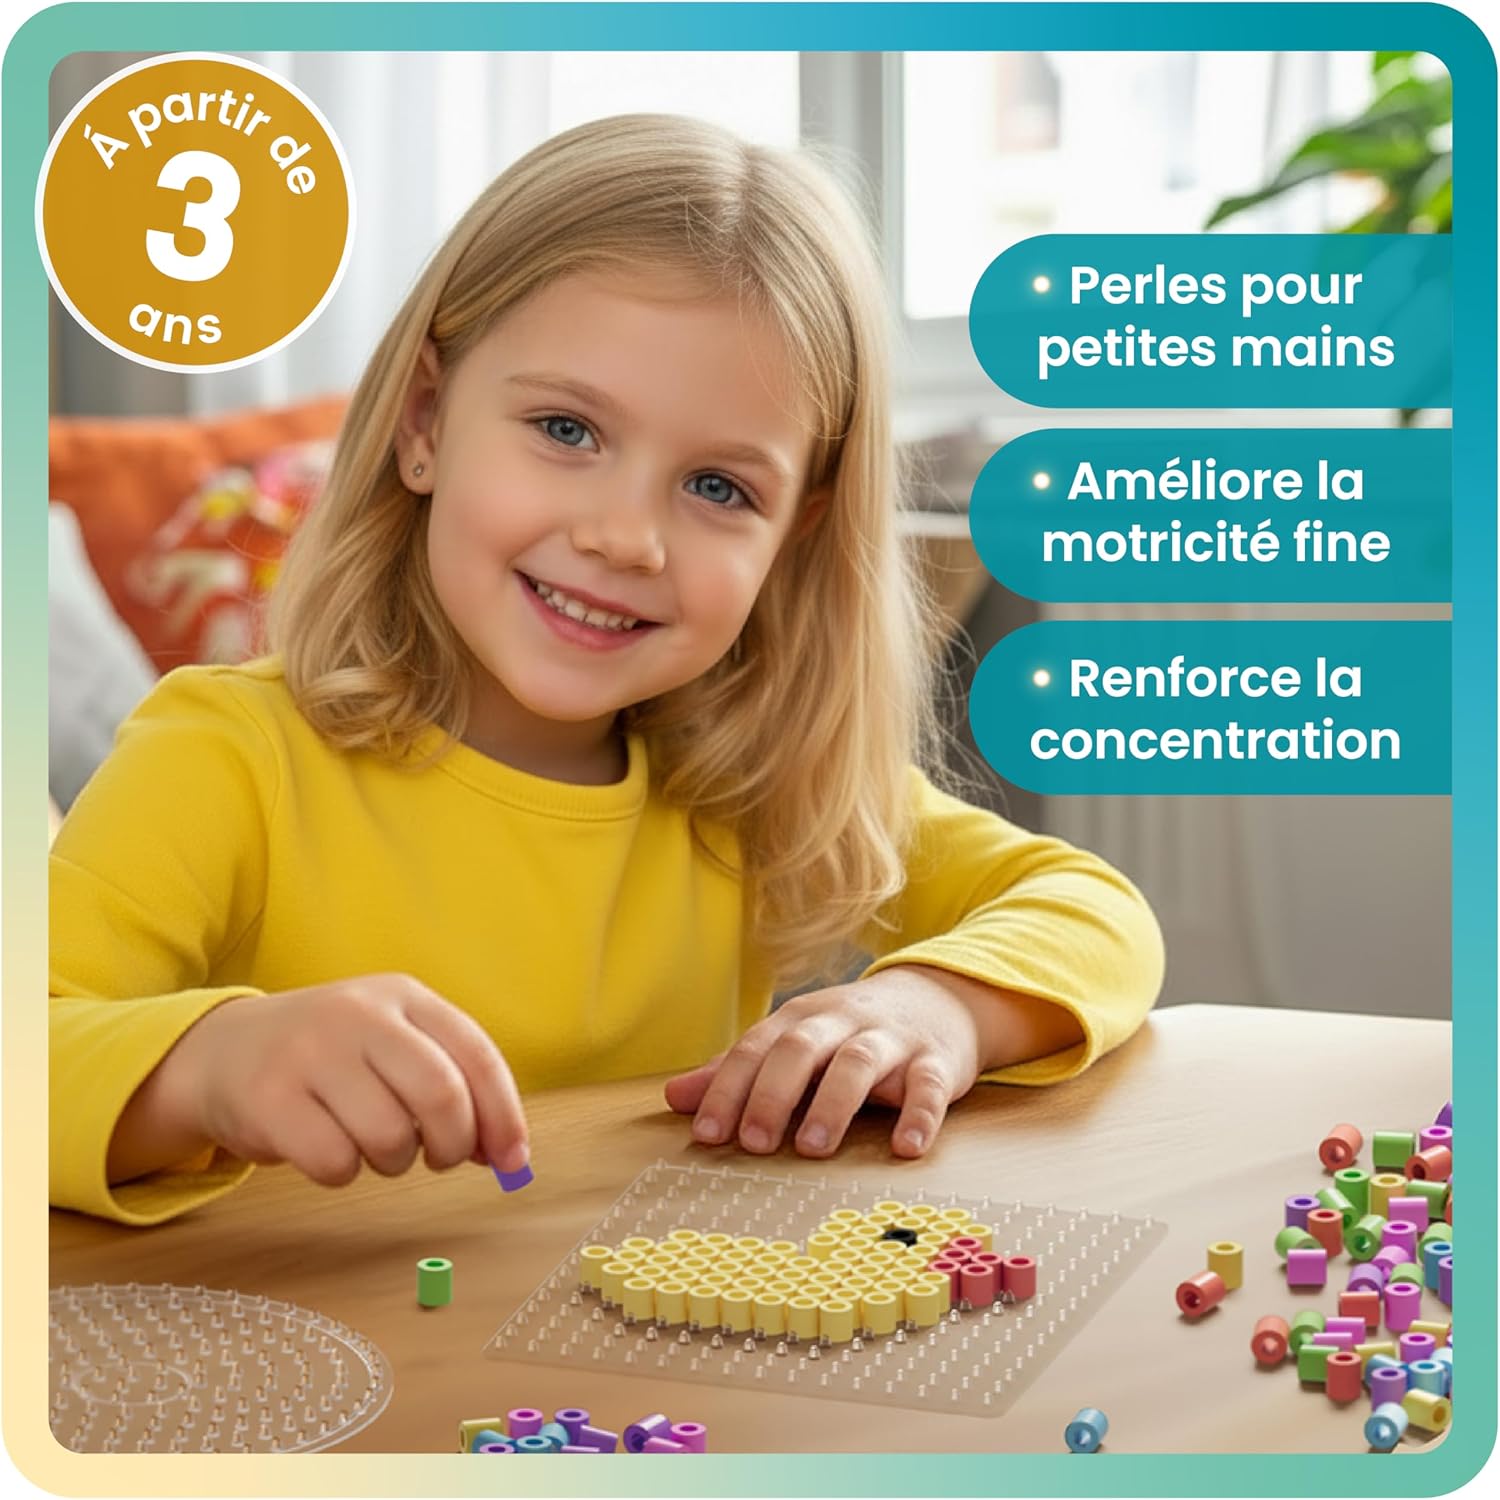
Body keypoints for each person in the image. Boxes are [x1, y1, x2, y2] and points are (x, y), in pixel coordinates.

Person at [49, 114, 1164, 1226]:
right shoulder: (226, 757)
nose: (626, 538)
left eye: (720, 489)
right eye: (567, 430)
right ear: (425, 418)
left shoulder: (752, 788)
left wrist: (942, 1005)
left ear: (794, 537)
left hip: (640, 1386)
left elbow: (1093, 913)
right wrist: (205, 1065)